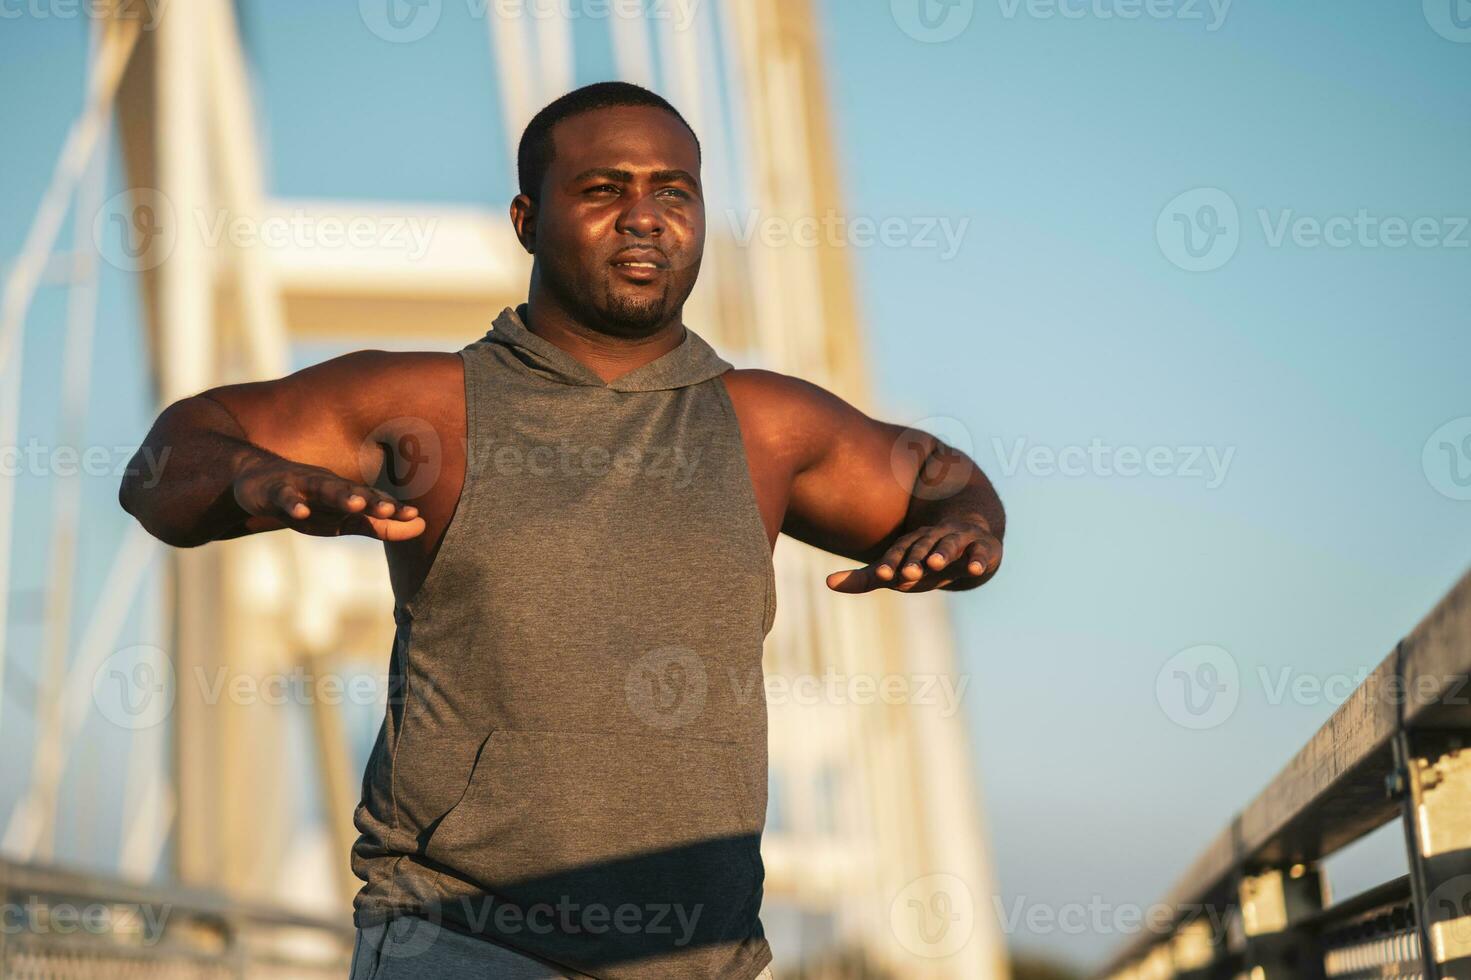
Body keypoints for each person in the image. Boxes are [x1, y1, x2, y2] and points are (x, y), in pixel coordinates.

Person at [120, 81, 1005, 980]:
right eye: (601, 191)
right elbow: (170, 457)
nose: (644, 219)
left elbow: (946, 482)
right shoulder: (423, 404)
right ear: (525, 220)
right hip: (462, 940)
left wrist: (965, 526)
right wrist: (246, 475)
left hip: (701, 957)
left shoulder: (768, 424)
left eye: (673, 192)